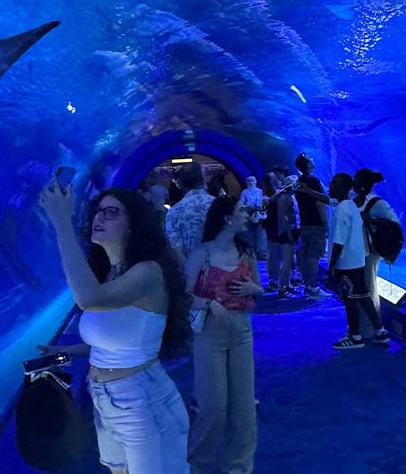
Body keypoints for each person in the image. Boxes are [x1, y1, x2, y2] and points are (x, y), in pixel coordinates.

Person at [40, 182, 191, 474]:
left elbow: (88, 298)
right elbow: (120, 341)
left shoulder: (148, 271)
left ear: (134, 226)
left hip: (141, 399)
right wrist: (65, 351)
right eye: (98, 212)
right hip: (105, 399)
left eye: (112, 213)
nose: (100, 218)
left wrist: (61, 221)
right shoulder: (110, 275)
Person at [185, 196, 263, 474]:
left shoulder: (247, 252)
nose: (246, 214)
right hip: (209, 334)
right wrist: (208, 303)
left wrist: (256, 290)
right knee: (212, 407)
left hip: (242, 331)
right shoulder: (201, 253)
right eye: (242, 210)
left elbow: (258, 287)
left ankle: (239, 468)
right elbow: (184, 295)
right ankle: (198, 466)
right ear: (227, 217)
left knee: (244, 408)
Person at [326, 173, 390, 350]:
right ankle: (380, 331)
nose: (329, 187)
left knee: (350, 299)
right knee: (363, 297)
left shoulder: (341, 210)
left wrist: (332, 265)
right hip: (358, 261)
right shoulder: (352, 206)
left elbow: (339, 240)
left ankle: (355, 336)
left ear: (341, 188)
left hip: (346, 264)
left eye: (332, 184)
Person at [352, 168, 401, 340]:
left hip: (370, 252)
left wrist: (372, 220)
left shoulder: (378, 203)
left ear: (363, 185)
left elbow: (395, 223)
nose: (354, 184)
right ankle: (360, 327)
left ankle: (371, 329)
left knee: (368, 288)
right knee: (359, 289)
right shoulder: (355, 200)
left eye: (356, 181)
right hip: (356, 251)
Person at [293, 153, 331, 298]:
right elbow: (319, 202)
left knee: (305, 254)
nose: (313, 162)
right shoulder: (313, 180)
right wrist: (325, 223)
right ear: (308, 165)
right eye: (311, 160)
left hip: (305, 223)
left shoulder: (299, 181)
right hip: (316, 223)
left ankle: (308, 285)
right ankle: (313, 288)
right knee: (314, 256)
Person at [166, 162, 216, 269]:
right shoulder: (219, 205)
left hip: (189, 270)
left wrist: (190, 272)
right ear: (203, 179)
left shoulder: (174, 211)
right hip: (219, 270)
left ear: (182, 183)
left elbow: (175, 248)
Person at [239, 175, 265, 253]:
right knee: (250, 233)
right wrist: (247, 206)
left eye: (252, 180)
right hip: (249, 215)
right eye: (249, 181)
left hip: (259, 214)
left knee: (260, 234)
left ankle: (261, 252)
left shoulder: (260, 191)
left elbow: (264, 201)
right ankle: (251, 251)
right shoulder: (244, 192)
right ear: (246, 182)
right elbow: (241, 204)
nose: (251, 182)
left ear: (255, 181)